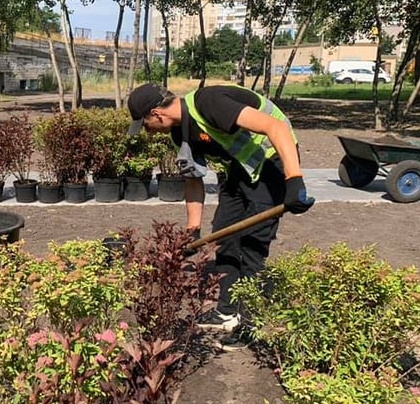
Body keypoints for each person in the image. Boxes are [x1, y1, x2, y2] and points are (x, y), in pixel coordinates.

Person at [127, 83, 314, 351]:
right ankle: (226, 311)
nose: (147, 131)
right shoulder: (180, 134)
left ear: (157, 114)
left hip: (272, 160)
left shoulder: (209, 103)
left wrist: (294, 180)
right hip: (240, 168)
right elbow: (192, 180)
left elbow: (277, 128)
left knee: (253, 244)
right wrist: (193, 229)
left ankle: (252, 323)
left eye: (144, 124)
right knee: (224, 233)